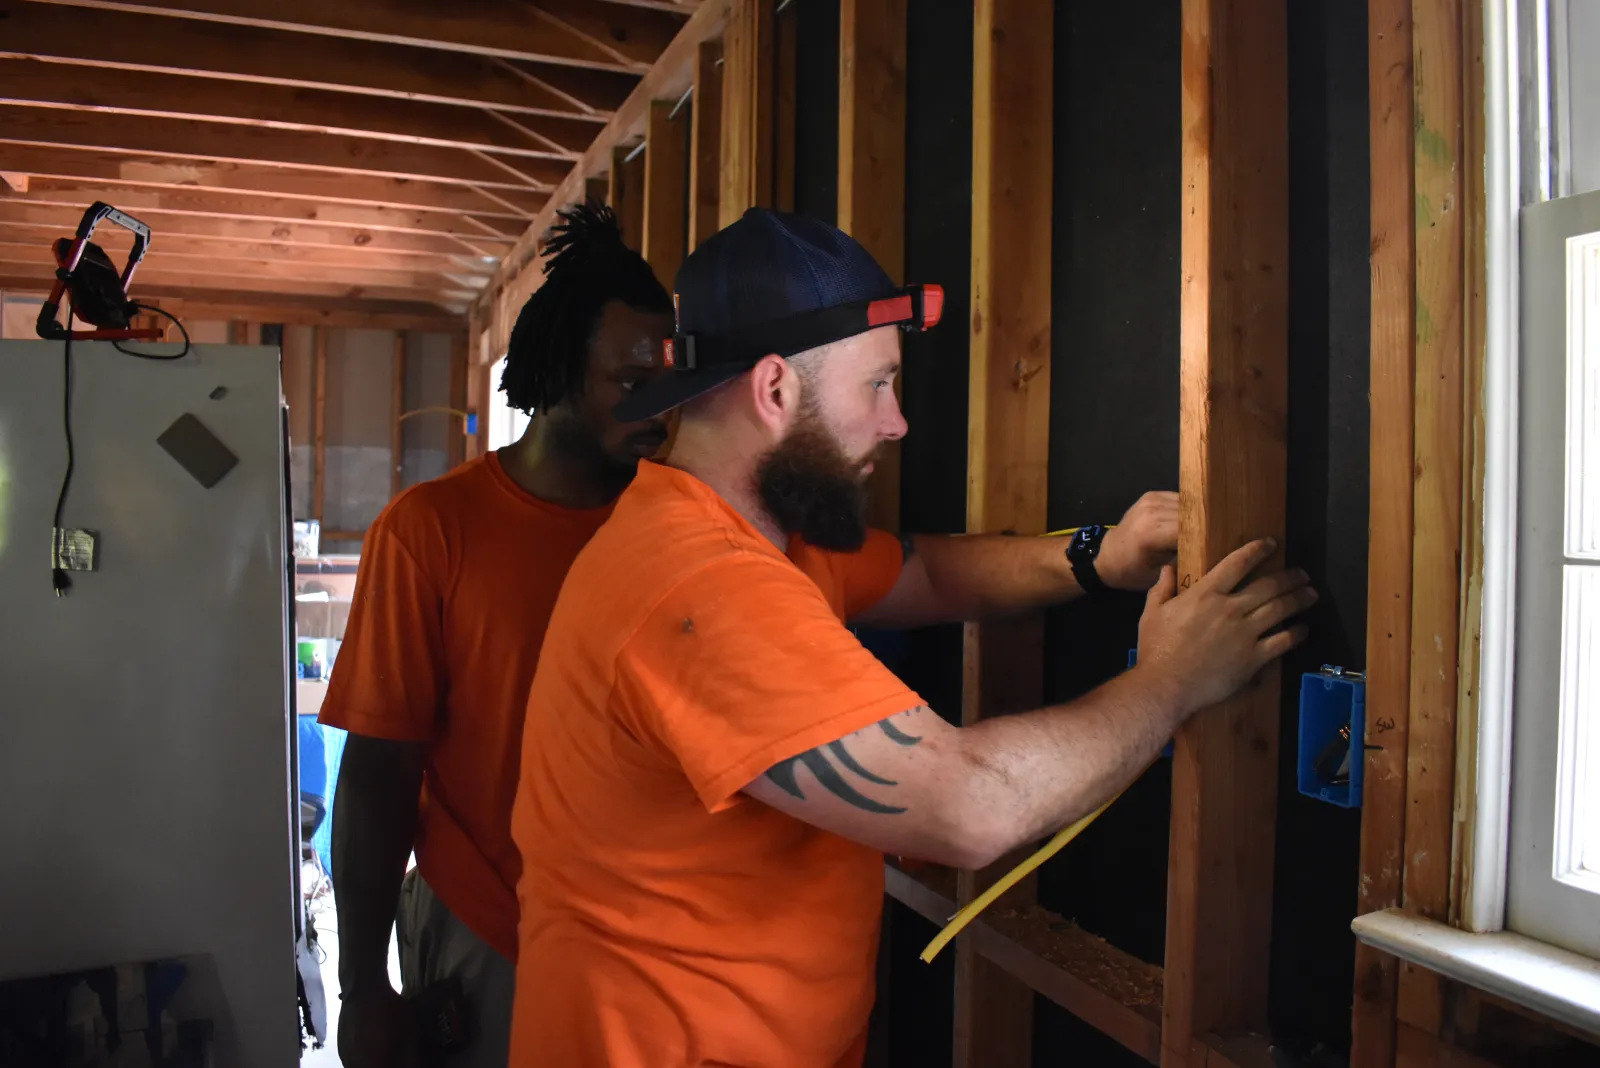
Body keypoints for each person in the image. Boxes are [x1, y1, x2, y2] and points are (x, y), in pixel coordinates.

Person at [506, 207, 1317, 1067]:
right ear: (775, 390)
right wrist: (1175, 679)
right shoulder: (699, 587)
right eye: (877, 386)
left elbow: (924, 573)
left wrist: (1095, 557)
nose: (897, 423)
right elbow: (971, 808)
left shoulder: (751, 535)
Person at [318, 204, 676, 1068]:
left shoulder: (677, 526)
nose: (662, 406)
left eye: (671, 378)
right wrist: (363, 986)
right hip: (490, 933)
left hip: (654, 947)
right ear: (554, 376)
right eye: (633, 382)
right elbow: (378, 774)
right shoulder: (432, 530)